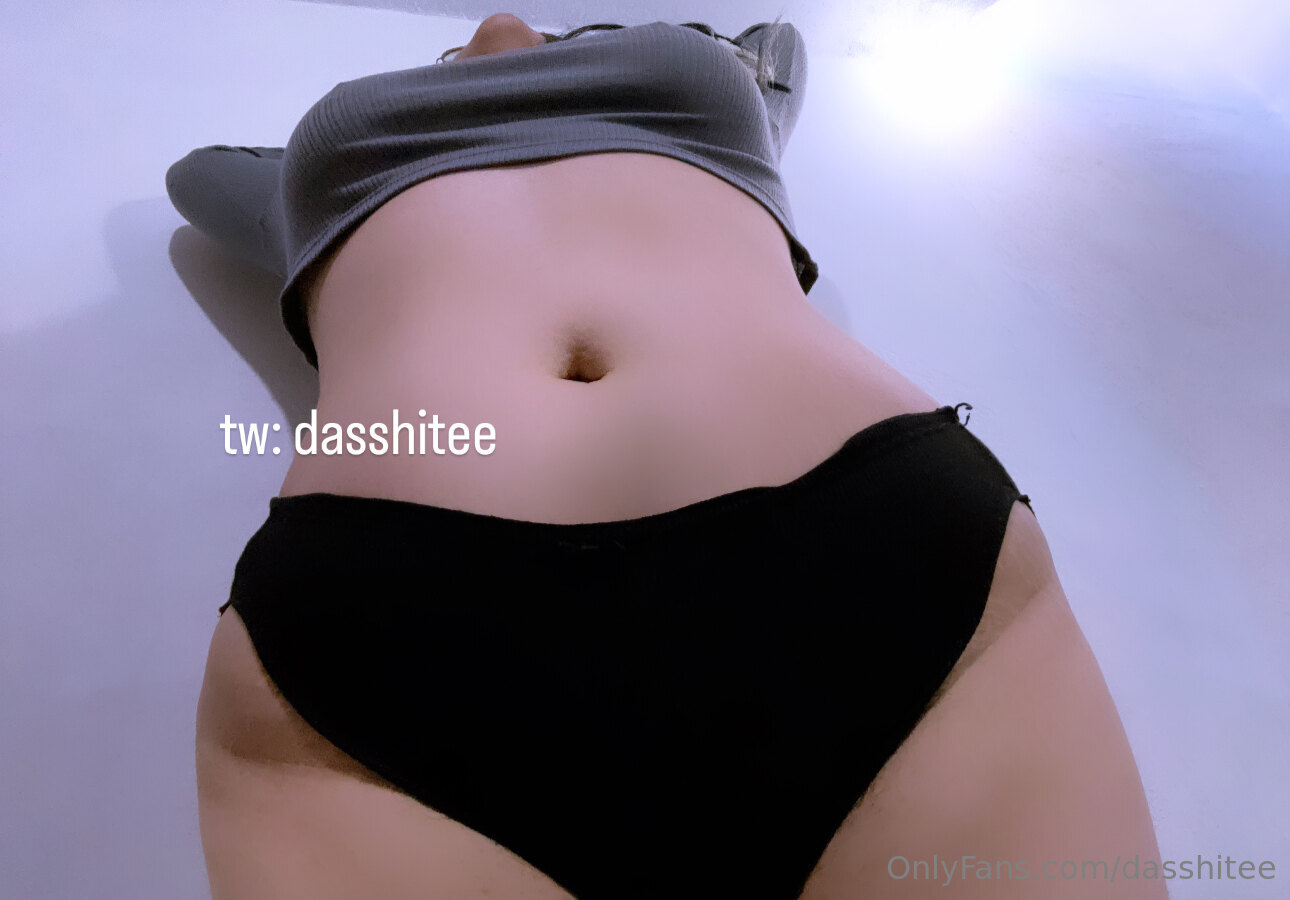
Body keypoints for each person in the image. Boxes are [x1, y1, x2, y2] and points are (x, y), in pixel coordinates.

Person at [169, 13, 1163, 900]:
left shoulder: (719, 93)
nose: (503, 20)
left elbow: (781, 43)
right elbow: (197, 178)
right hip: (379, 639)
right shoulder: (316, 186)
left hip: (876, 558)